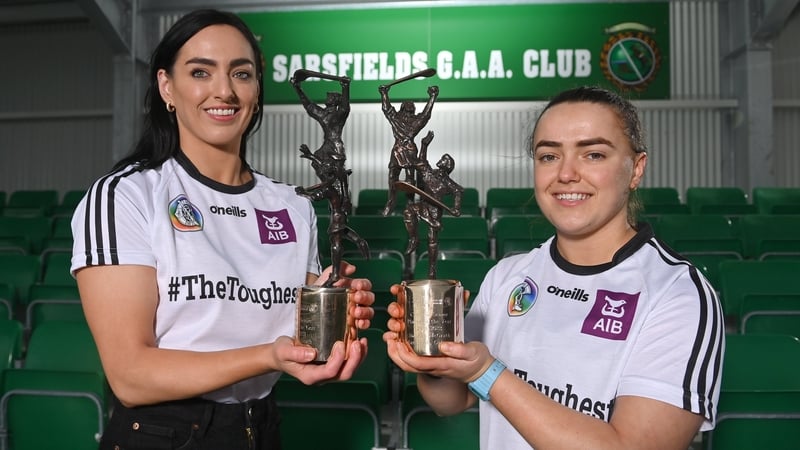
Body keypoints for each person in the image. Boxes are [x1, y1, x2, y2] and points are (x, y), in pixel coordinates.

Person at [71, 9, 375, 450]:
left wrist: (335, 317)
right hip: (161, 435)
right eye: (201, 72)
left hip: (261, 428)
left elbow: (301, 343)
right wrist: (268, 356)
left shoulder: (292, 206)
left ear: (257, 89)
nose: (225, 91)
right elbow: (130, 376)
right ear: (166, 87)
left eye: (241, 73)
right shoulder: (126, 196)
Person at [384, 86, 725, 449]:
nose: (566, 174)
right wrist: (430, 359)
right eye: (548, 156)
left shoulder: (677, 294)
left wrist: (486, 373)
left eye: (593, 154)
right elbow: (452, 401)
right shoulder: (506, 277)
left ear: (636, 169)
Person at [291, 71, 369, 285]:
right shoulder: (325, 115)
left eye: (330, 99)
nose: (327, 102)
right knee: (329, 184)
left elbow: (345, 107)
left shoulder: (337, 114)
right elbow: (309, 106)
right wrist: (297, 88)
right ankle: (346, 226)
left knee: (335, 187)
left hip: (334, 151)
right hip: (326, 150)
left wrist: (346, 87)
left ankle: (343, 214)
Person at [401, 130, 464, 278]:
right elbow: (421, 162)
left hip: (435, 211)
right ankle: (413, 238)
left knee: (432, 239)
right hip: (423, 205)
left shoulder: (447, 183)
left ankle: (432, 270)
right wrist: (424, 145)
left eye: (444, 159)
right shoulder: (430, 173)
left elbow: (459, 191)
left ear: (447, 165)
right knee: (408, 211)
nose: (441, 160)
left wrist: (456, 207)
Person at [379, 82, 439, 216]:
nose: (410, 105)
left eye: (412, 105)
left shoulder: (415, 121)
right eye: (408, 104)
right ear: (402, 108)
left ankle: (410, 204)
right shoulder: (396, 119)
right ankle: (391, 202)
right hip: (397, 150)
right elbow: (386, 108)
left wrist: (432, 97)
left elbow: (426, 114)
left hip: (410, 150)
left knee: (410, 179)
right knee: (392, 176)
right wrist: (384, 93)